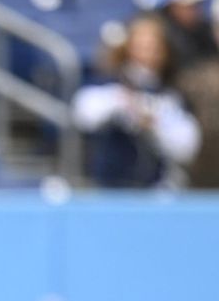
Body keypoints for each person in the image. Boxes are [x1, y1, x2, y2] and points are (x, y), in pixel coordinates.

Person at [72, 13, 201, 188]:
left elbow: (187, 147)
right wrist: (120, 101)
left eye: (154, 47)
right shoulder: (109, 82)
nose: (147, 53)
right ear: (128, 48)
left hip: (155, 189)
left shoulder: (171, 92)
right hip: (111, 187)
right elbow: (84, 114)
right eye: (140, 46)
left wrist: (154, 124)